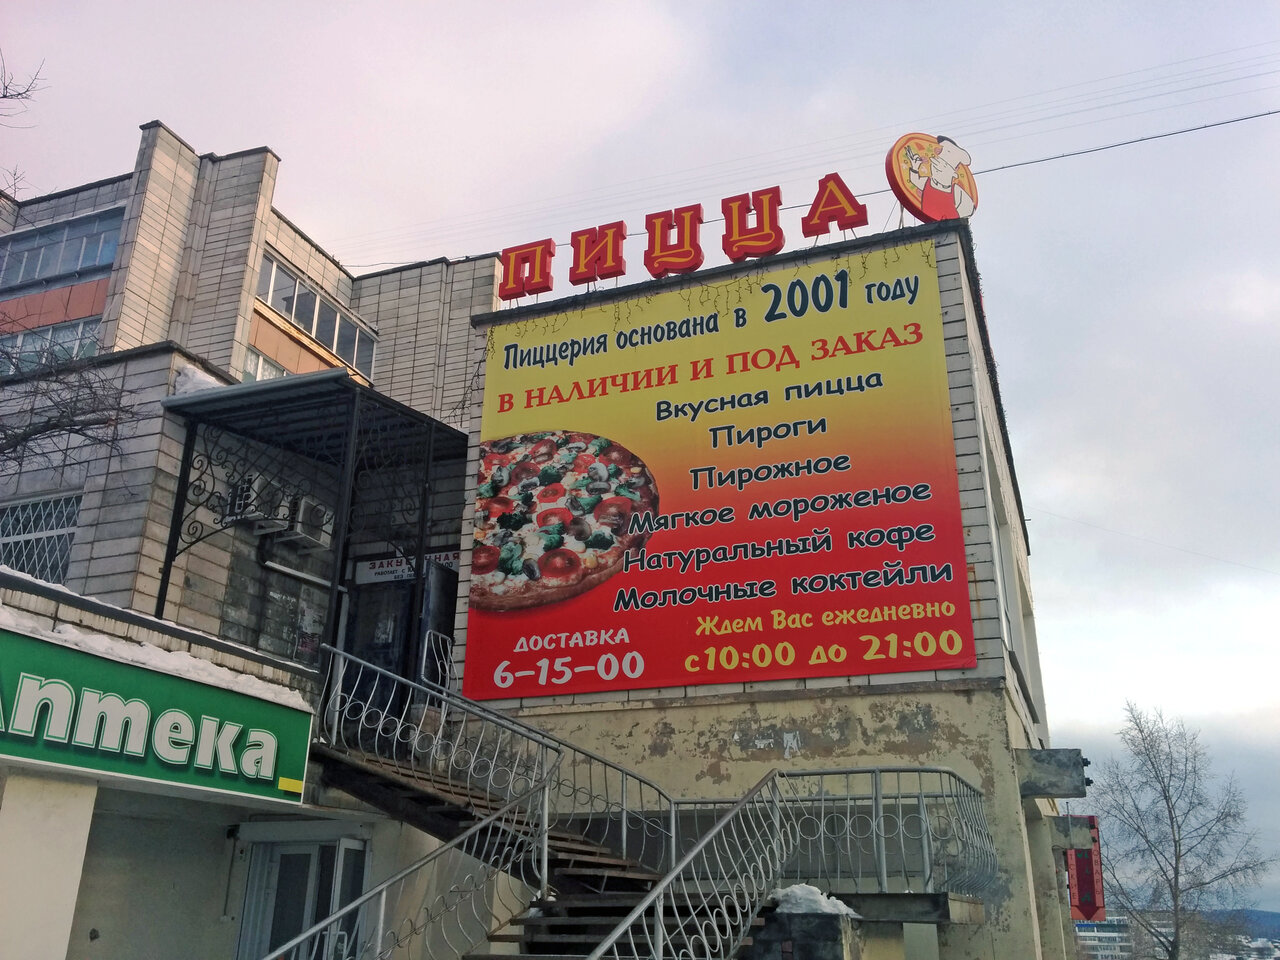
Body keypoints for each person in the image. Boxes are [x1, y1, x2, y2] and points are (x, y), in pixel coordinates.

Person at [905, 136, 976, 220]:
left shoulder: (956, 191)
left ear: (954, 173)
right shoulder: (928, 182)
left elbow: (968, 210)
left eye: (942, 167)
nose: (936, 169)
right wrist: (915, 167)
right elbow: (915, 180)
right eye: (935, 166)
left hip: (951, 226)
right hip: (933, 224)